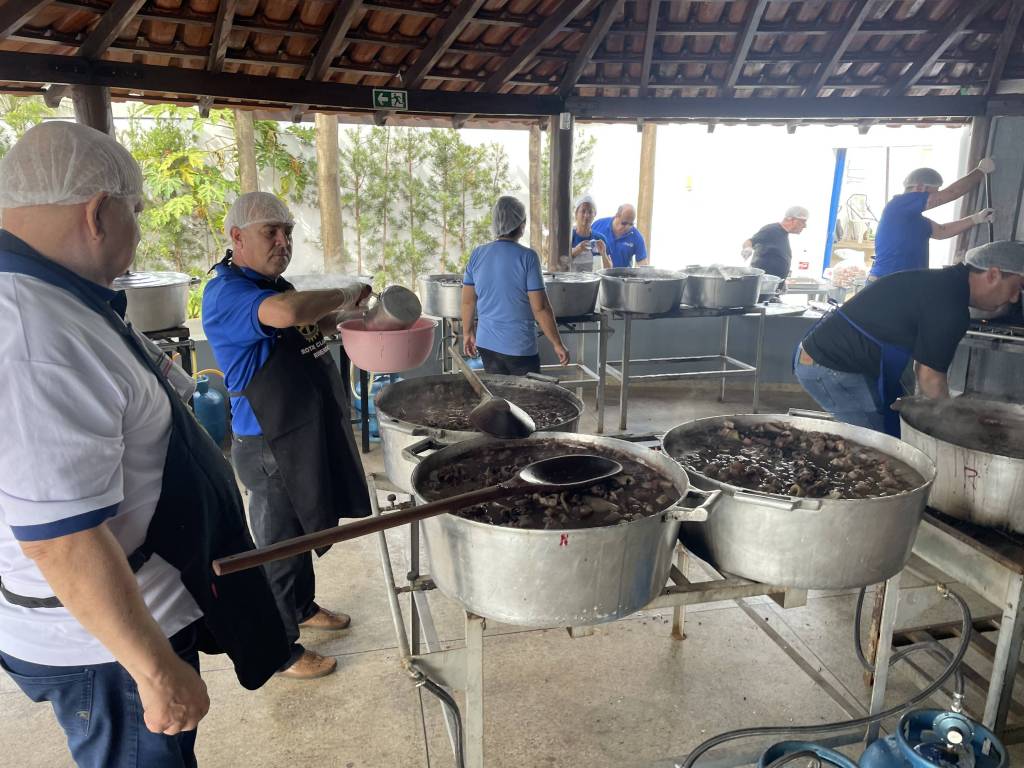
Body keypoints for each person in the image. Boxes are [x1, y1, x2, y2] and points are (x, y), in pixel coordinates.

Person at [0, 122, 287, 768]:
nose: (139, 228)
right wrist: (154, 672)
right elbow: (61, 539)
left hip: (130, 622)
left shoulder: (55, 296)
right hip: (106, 652)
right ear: (98, 213)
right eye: (136, 211)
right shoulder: (31, 332)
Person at [202, 192, 372, 680]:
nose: (283, 241)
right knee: (276, 546)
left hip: (296, 433)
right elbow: (287, 314)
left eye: (288, 232)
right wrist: (345, 292)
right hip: (266, 441)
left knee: (301, 529)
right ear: (237, 238)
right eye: (270, 232)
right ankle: (280, 650)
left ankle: (301, 607)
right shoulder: (228, 292)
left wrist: (352, 319)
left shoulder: (273, 285)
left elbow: (310, 323)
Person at [794, 240, 1024, 436]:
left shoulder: (944, 285)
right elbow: (930, 378)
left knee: (892, 433)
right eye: (1017, 287)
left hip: (831, 359)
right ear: (993, 275)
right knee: (877, 449)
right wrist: (951, 430)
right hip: (829, 367)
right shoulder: (950, 304)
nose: (1015, 298)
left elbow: (922, 368)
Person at [462, 195, 571, 375]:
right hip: (519, 348)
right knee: (526, 393)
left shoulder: (477, 254)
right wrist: (557, 344)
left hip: (487, 346)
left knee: (498, 392)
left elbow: (468, 302)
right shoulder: (528, 257)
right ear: (521, 225)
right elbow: (540, 308)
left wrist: (467, 333)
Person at [869, 160, 996, 280]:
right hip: (885, 281)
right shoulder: (898, 205)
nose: (937, 195)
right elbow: (952, 192)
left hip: (905, 282)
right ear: (920, 188)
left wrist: (976, 218)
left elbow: (942, 231)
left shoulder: (915, 220)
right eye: (934, 192)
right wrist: (981, 171)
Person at [742, 206, 809, 280]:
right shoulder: (771, 229)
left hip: (774, 283)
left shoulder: (784, 234)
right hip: (763, 283)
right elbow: (750, 241)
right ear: (791, 219)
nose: (805, 226)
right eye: (803, 222)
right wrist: (747, 249)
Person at [592, 203, 649, 268]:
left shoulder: (636, 236)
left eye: (631, 224)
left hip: (623, 273)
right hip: (598, 272)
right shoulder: (598, 226)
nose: (627, 227)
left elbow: (643, 263)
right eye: (624, 223)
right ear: (616, 216)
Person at [568, 194, 611, 271]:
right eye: (583, 211)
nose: (586, 215)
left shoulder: (600, 239)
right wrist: (577, 250)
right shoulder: (568, 237)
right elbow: (559, 262)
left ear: (594, 215)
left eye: (590, 212)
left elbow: (609, 269)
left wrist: (603, 254)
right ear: (576, 214)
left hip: (594, 279)